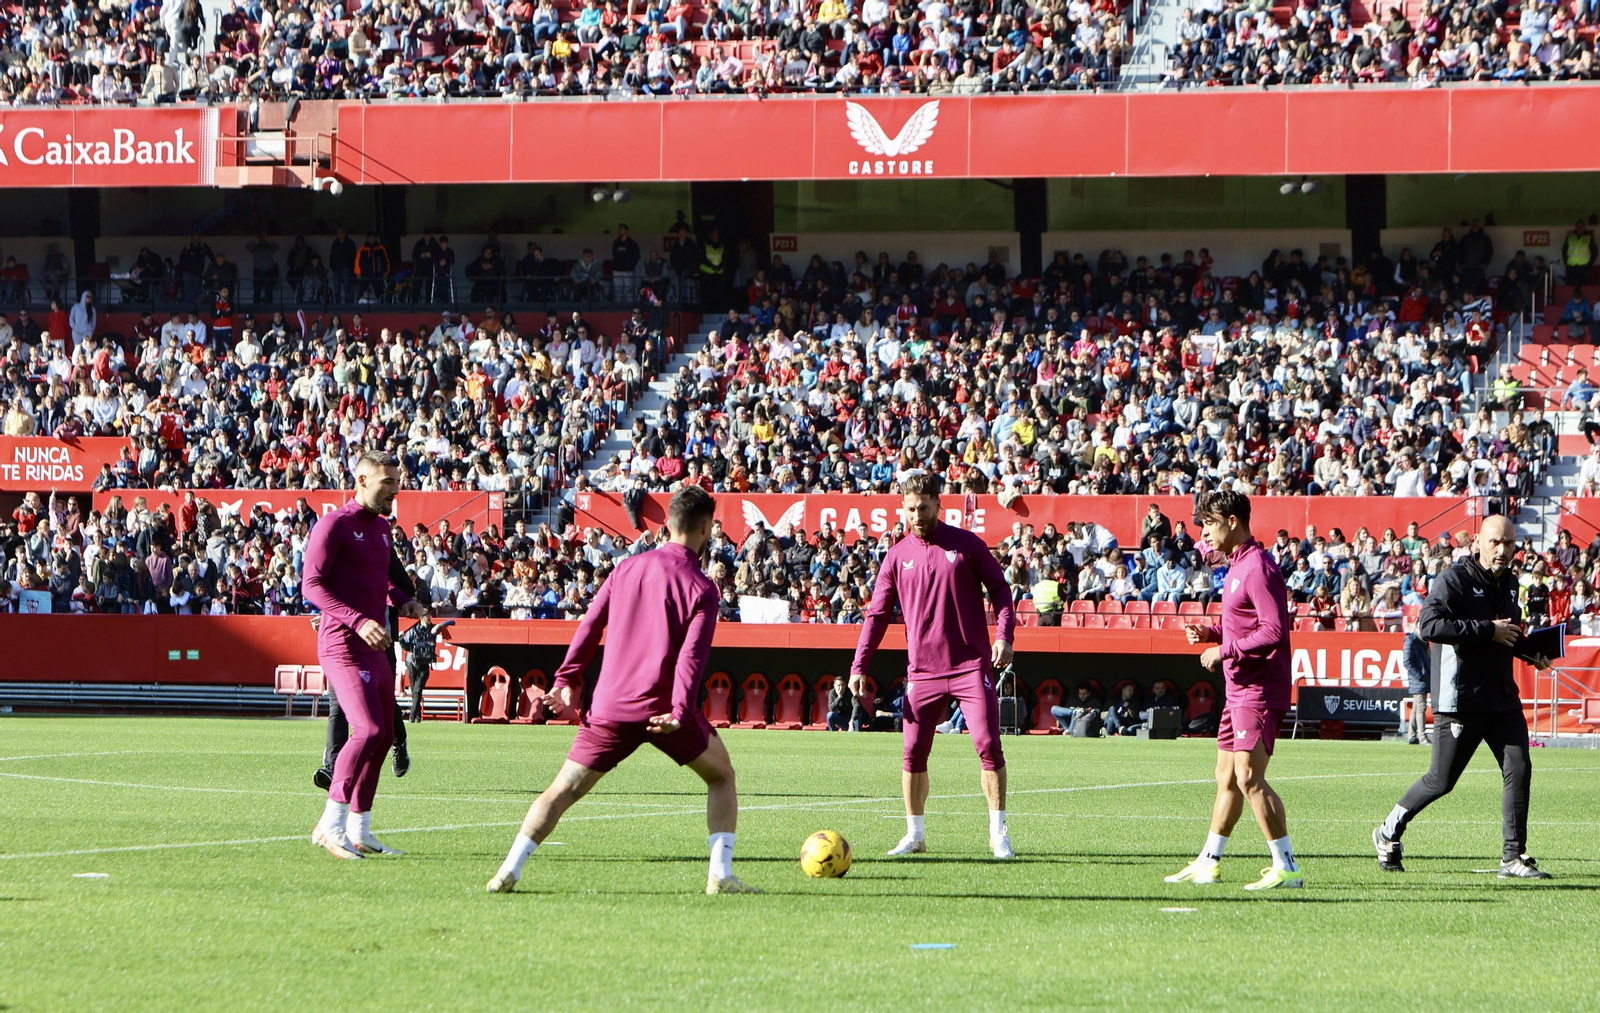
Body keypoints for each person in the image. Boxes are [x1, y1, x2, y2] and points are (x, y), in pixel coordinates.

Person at [487, 486, 761, 896]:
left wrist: (565, 680)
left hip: (610, 707)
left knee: (562, 789)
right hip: (663, 710)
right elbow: (691, 659)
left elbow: (589, 625)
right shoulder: (702, 587)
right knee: (722, 776)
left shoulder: (626, 568)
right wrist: (680, 712)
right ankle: (720, 876)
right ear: (706, 528)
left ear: (668, 523)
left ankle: (509, 869)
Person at [1373, 515, 1554, 880]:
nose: (1502, 550)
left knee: (1519, 769)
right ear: (1477, 542)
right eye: (1495, 542)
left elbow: (1507, 634)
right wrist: (1487, 630)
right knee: (1441, 781)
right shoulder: (1453, 579)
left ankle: (1512, 857)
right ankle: (1387, 831)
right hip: (1459, 699)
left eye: (1508, 543)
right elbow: (1428, 626)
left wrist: (1532, 653)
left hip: (1502, 698)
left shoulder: (1511, 583)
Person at [849, 473, 1017, 859]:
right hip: (922, 671)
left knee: (988, 745)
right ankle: (915, 835)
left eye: (923, 508)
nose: (917, 515)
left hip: (970, 666)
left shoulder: (967, 545)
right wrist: (859, 665)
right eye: (910, 509)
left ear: (938, 505)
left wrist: (1004, 635)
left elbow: (1001, 590)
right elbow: (877, 615)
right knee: (912, 753)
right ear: (903, 509)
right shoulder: (896, 556)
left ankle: (998, 834)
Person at [1167, 490, 1303, 891]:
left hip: (1259, 688)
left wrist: (1223, 649)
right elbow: (1245, 624)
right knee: (1226, 776)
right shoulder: (1237, 564)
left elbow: (1274, 631)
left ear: (1232, 521)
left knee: (1248, 776)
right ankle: (1208, 861)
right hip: (1239, 687)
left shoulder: (1257, 567)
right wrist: (1211, 632)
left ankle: (1287, 866)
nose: (1205, 534)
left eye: (1209, 524)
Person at [303, 451, 425, 860]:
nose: (395, 490)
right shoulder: (333, 524)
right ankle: (330, 823)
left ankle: (359, 829)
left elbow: (377, 580)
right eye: (387, 482)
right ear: (362, 480)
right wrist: (357, 620)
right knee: (368, 730)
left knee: (386, 734)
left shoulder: (382, 528)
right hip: (342, 644)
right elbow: (311, 585)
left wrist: (403, 600)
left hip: (375, 644)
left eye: (397, 482)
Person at [311, 548, 422, 788]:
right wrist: (328, 616)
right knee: (338, 705)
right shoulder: (339, 547)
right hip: (343, 641)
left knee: (382, 702)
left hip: (379, 640)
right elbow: (321, 589)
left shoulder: (381, 545)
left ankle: (398, 740)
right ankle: (332, 768)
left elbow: (405, 588)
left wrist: (393, 599)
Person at [399, 612, 451, 723]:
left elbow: (451, 622)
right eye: (427, 616)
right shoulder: (413, 630)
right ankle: (418, 717)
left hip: (425, 663)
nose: (430, 618)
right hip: (412, 662)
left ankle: (412, 717)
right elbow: (406, 647)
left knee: (417, 690)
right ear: (421, 618)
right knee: (415, 691)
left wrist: (441, 625)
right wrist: (401, 640)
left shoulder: (432, 629)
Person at [1402, 630, 1430, 746]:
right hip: (1419, 679)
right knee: (1421, 707)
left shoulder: (1422, 641)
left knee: (1416, 707)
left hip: (1423, 678)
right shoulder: (1411, 640)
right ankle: (1422, 736)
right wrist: (1420, 676)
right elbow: (1407, 661)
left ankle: (1412, 736)